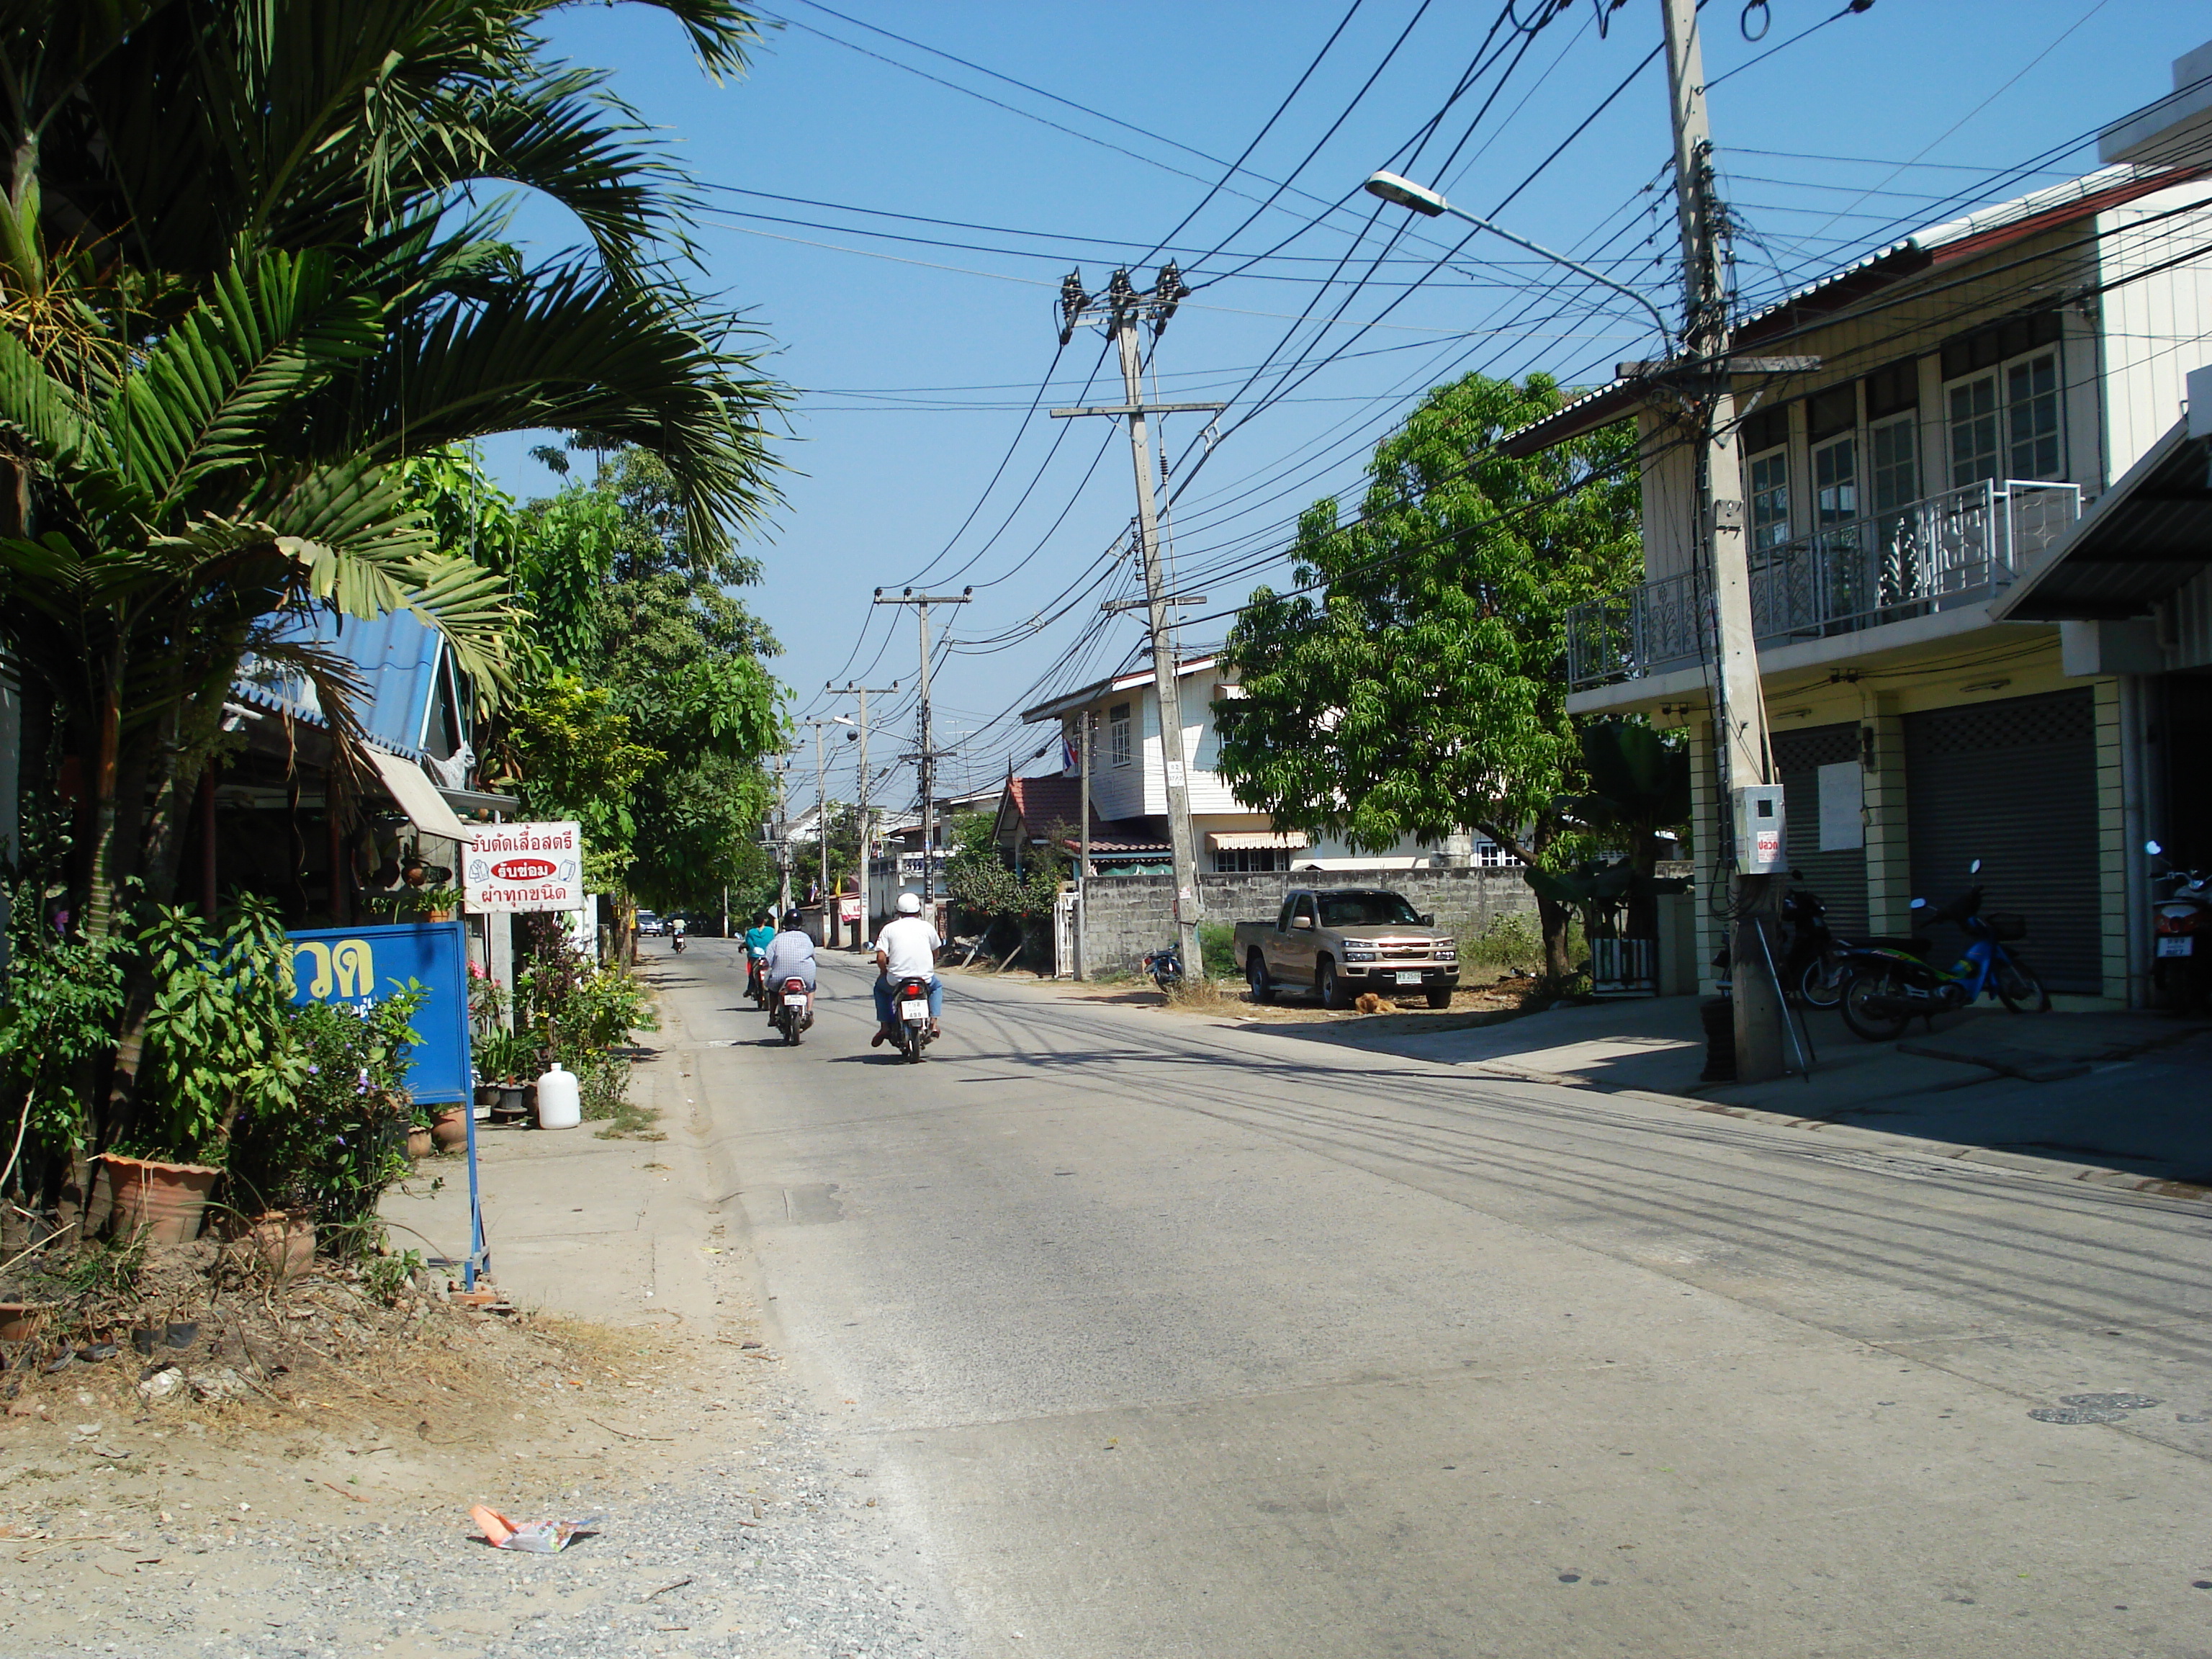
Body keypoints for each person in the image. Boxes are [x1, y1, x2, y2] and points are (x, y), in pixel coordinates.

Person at [871, 891, 942, 1047]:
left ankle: (884, 1026)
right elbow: (936, 951)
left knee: (880, 989)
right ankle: (933, 1024)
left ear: (899, 911)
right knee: (937, 987)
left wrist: (884, 972)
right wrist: (931, 965)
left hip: (897, 980)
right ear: (919, 910)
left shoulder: (889, 928)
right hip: (924, 979)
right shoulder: (927, 927)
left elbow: (881, 958)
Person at [763, 910, 818, 1025]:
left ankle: (772, 1015)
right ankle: (809, 1012)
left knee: (773, 990)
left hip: (780, 976)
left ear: (784, 924)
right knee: (811, 987)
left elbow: (768, 958)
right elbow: (812, 956)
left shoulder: (777, 939)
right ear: (800, 923)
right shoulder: (806, 938)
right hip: (805, 974)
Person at [742, 910, 775, 1000]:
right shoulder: (771, 931)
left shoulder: (751, 933)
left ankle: (750, 988)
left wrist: (742, 947)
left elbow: (748, 944)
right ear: (764, 920)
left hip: (755, 957)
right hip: (769, 957)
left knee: (752, 973)